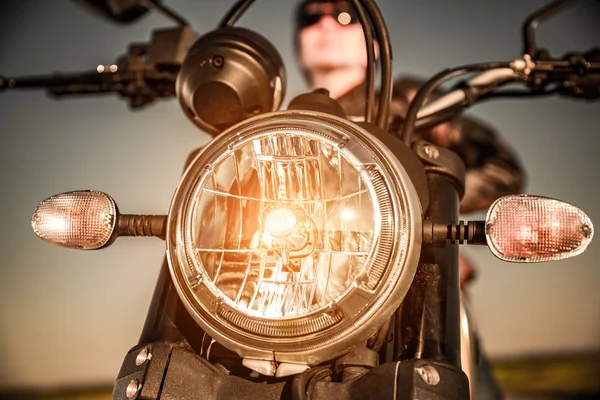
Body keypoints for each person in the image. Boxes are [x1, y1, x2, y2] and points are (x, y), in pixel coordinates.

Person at [294, 1, 524, 398]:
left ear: (375, 47)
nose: (327, 25)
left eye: (345, 16)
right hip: (306, 293)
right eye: (312, 18)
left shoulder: (414, 102)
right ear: (299, 43)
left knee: (455, 376)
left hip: (413, 283)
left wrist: (428, 206)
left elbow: (503, 168)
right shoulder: (283, 123)